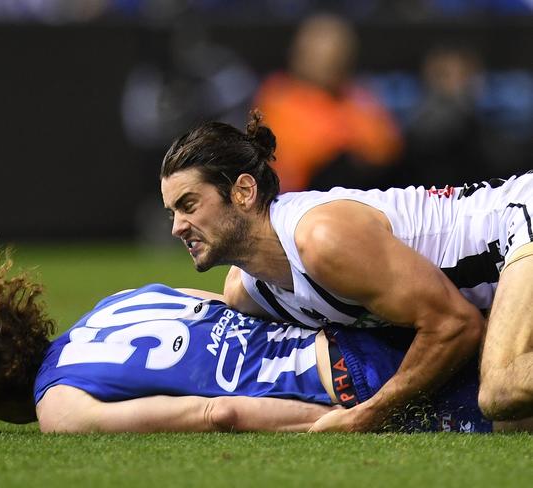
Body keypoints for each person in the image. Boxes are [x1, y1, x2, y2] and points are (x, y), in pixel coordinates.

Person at [160, 111, 533, 432]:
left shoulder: (321, 239)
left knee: (502, 387)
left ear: (243, 191)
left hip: (520, 216)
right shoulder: (247, 289)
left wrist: (366, 416)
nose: (178, 226)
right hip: (508, 267)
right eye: (173, 212)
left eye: (189, 204)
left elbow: (457, 326)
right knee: (514, 421)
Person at [0, 247, 514, 433]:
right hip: (355, 330)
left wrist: (324, 427)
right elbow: (236, 307)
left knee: (513, 416)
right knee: (512, 360)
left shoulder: (57, 405)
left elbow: (213, 411)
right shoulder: (118, 302)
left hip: (345, 384)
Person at [253, 14, 402, 192]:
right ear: (299, 55)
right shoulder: (277, 96)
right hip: (299, 200)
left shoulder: (358, 95)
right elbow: (306, 152)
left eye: (339, 57)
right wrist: (349, 138)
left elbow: (386, 147)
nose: (332, 65)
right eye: (322, 57)